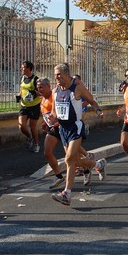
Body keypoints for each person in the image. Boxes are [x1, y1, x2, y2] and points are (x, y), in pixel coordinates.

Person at [50, 63, 106, 206]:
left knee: (69, 159)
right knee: (74, 160)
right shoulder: (55, 91)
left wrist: (98, 110)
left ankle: (67, 193)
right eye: (55, 75)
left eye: (59, 75)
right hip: (63, 129)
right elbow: (54, 111)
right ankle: (97, 164)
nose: (56, 77)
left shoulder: (77, 89)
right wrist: (52, 118)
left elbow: (91, 100)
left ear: (67, 74)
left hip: (76, 127)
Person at [37, 78, 65, 190]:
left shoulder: (54, 95)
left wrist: (58, 121)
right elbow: (47, 114)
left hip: (62, 127)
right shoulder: (42, 98)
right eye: (38, 87)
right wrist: (45, 123)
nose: (39, 90)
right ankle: (59, 177)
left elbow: (61, 109)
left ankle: (94, 166)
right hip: (52, 129)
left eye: (41, 87)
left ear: (48, 86)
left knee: (73, 156)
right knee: (47, 152)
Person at [17, 61, 41, 153]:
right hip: (24, 105)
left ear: (29, 68)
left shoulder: (35, 79)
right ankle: (29, 137)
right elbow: (21, 89)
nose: (21, 69)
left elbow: (41, 92)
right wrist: (19, 95)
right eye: (21, 67)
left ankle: (36, 145)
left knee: (32, 126)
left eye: (23, 67)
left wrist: (34, 93)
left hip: (34, 105)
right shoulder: (21, 78)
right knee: (21, 126)